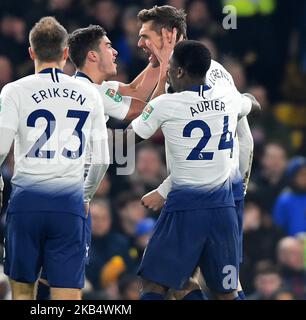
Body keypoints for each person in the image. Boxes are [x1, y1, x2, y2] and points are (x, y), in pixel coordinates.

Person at [0, 17, 110, 300]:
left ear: (31, 52)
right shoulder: (89, 92)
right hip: (69, 204)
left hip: (27, 203)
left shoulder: (15, 90)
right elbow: (102, 160)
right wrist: (85, 196)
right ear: (66, 53)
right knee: (67, 295)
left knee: (23, 293)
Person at [136, 5, 255, 299]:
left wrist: (165, 189)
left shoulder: (209, 74)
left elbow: (239, 137)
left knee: (213, 284)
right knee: (193, 283)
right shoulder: (170, 72)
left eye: (146, 36)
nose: (139, 43)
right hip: (211, 193)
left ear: (168, 35)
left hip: (220, 186)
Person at [35, 23, 159, 300]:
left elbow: (133, 89)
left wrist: (155, 62)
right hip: (73, 194)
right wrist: (164, 66)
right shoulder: (94, 93)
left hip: (46, 189)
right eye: (108, 46)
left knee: (48, 276)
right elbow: (141, 107)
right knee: (66, 281)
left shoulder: (89, 87)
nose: (115, 52)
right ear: (92, 56)